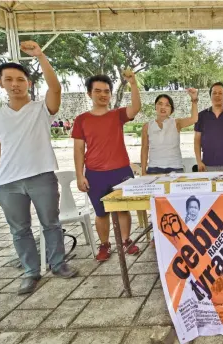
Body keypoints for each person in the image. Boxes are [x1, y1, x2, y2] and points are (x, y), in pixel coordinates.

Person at [0, 41, 77, 295]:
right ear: (0, 83)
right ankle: (31, 271)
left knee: (51, 223)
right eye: (9, 79)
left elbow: (55, 88)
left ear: (29, 83)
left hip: (41, 176)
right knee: (20, 230)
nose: (15, 84)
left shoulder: (40, 109)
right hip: (8, 184)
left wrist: (40, 56)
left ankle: (58, 264)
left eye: (20, 79)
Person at [72, 72, 141, 262]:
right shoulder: (81, 120)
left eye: (107, 91)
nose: (103, 94)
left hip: (120, 172)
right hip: (95, 174)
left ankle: (126, 240)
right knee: (101, 213)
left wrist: (133, 83)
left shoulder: (117, 115)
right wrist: (80, 175)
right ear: (89, 94)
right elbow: (78, 149)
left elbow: (135, 108)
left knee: (123, 209)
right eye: (98, 91)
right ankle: (105, 244)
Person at [141, 89, 199, 175]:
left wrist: (194, 100)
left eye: (167, 105)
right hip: (154, 169)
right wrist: (143, 171)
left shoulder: (176, 123)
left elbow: (194, 119)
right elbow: (144, 149)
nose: (163, 107)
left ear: (171, 109)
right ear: (155, 106)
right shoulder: (147, 126)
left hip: (175, 168)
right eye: (160, 104)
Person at [194, 82, 223, 172]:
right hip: (207, 164)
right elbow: (197, 140)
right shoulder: (201, 116)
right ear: (210, 96)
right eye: (214, 93)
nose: (217, 95)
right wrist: (199, 161)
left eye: (220, 93)